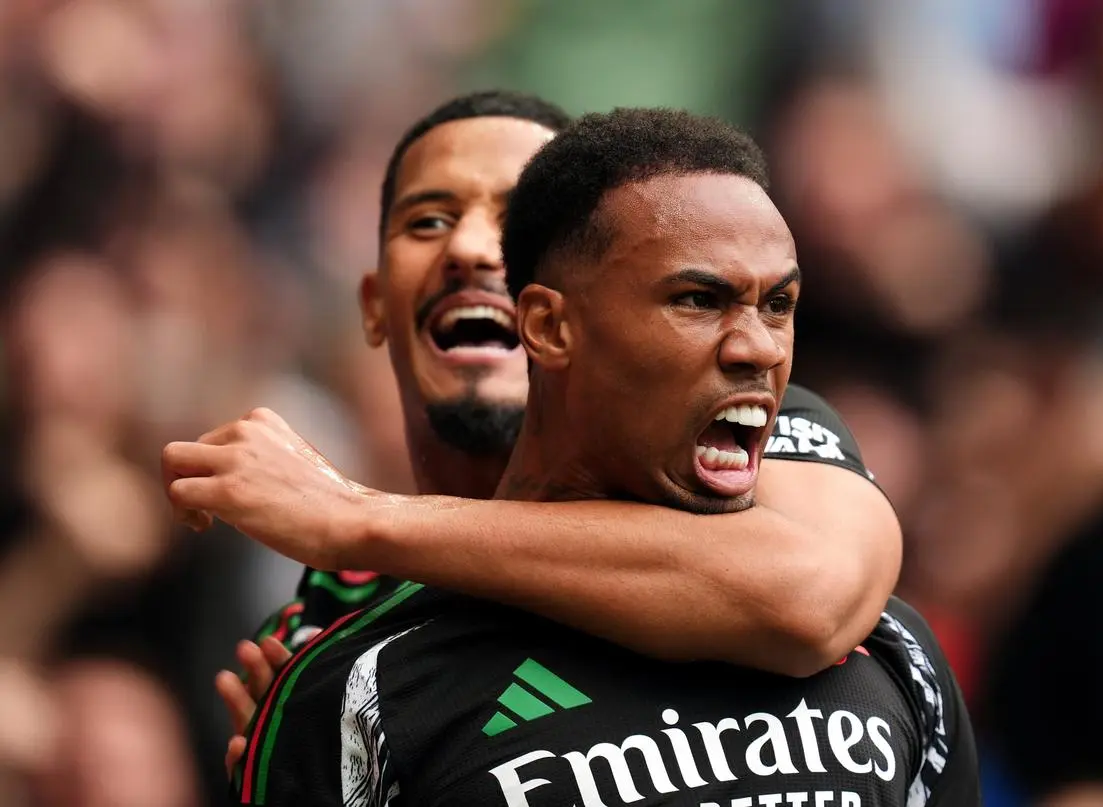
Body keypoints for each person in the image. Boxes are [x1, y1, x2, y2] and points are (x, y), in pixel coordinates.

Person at [167, 106, 979, 806]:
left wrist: (354, 515)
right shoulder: (359, 676)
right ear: (546, 325)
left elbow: (807, 596)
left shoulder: (876, 620)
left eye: (781, 304)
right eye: (431, 218)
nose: (757, 347)